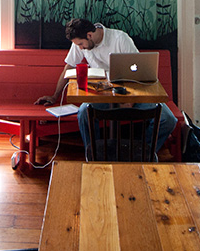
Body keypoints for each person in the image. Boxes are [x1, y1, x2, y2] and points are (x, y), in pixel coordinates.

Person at [35, 18, 177, 159]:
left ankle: (141, 154)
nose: (80, 48)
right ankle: (94, 156)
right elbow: (69, 67)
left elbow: (138, 69)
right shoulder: (80, 42)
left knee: (168, 119)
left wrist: (131, 99)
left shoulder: (120, 39)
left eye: (81, 44)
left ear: (89, 35)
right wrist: (55, 95)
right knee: (84, 113)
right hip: (102, 94)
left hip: (130, 92)